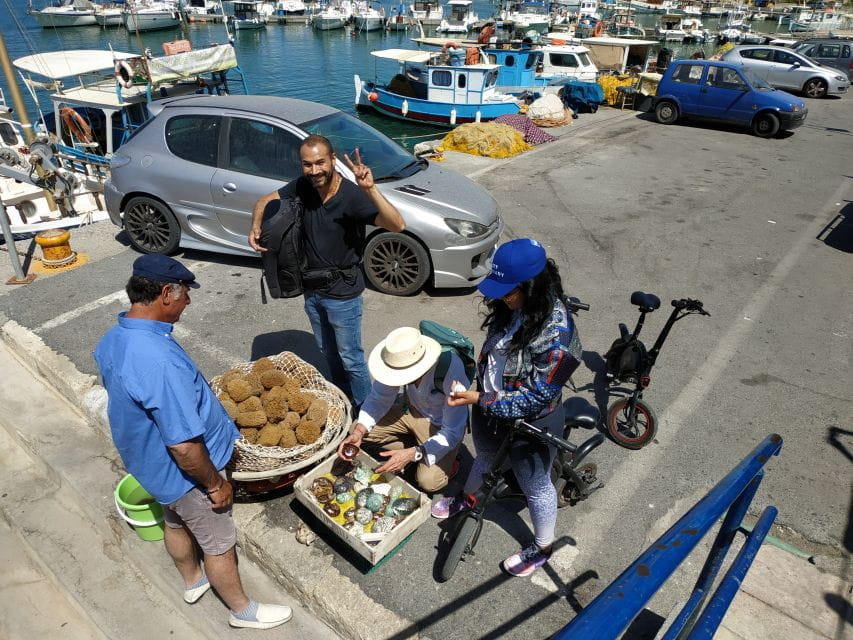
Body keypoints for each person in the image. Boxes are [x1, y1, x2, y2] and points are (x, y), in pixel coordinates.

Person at [93, 255, 291, 630]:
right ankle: (242, 610)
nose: (189, 302)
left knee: (174, 522)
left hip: (152, 468)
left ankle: (192, 580)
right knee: (218, 542)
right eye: (185, 295)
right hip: (188, 476)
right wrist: (215, 484)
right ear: (167, 293)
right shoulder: (158, 361)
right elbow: (184, 447)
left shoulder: (115, 338)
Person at [431, 238, 582, 578]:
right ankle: (468, 501)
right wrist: (481, 391)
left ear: (534, 287)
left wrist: (478, 398)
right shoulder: (509, 307)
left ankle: (542, 547)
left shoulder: (559, 336)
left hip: (532, 422)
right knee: (483, 458)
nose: (499, 298)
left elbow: (536, 397)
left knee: (536, 484)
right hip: (490, 409)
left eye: (508, 291)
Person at [248, 136, 405, 410]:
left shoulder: (352, 196)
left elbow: (397, 224)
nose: (314, 170)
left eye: (320, 162)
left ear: (332, 160)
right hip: (312, 290)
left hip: (343, 294)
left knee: (351, 359)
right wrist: (256, 228)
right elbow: (263, 201)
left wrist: (371, 189)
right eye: (307, 164)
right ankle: (345, 402)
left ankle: (368, 414)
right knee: (328, 354)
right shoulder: (302, 186)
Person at [336, 327, 469, 492]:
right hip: (410, 410)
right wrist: (359, 431)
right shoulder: (398, 358)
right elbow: (379, 398)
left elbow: (452, 430)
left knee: (428, 481)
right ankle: (413, 448)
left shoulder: (451, 370)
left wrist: (414, 453)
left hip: (441, 426)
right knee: (356, 428)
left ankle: (446, 461)